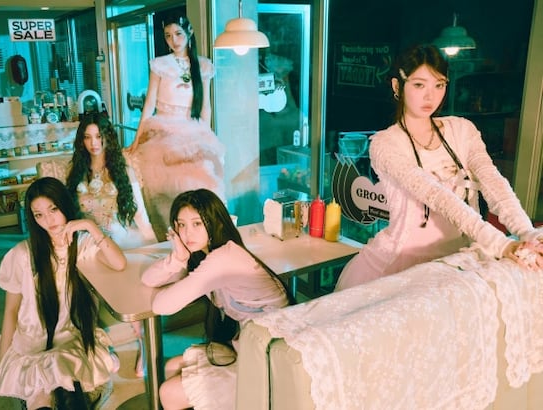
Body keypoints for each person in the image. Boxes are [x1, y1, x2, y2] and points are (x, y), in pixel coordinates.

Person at [335, 44, 543, 291]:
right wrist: (501, 244)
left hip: (458, 259)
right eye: (419, 85)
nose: (430, 96)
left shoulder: (461, 130)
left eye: (439, 85)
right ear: (397, 86)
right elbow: (437, 196)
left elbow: (492, 180)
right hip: (401, 262)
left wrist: (527, 233)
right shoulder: (386, 144)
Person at [0, 177, 127, 409]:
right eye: (39, 215)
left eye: (53, 209)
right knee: (42, 398)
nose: (48, 220)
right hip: (31, 341)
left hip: (69, 336)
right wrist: (3, 359)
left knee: (68, 392)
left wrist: (89, 225)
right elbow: (11, 310)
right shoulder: (22, 254)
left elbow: (119, 263)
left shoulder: (81, 243)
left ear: (64, 206)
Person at [141, 188, 291, 410]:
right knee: (172, 366)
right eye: (181, 225)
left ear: (214, 222)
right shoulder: (207, 255)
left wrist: (181, 260)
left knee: (168, 392)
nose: (187, 233)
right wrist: (178, 257)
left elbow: (161, 305)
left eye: (196, 223)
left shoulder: (223, 259)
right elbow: (148, 279)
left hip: (272, 357)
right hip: (249, 344)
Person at [125, 14, 225, 240]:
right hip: (162, 127)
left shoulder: (204, 65)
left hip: (191, 128)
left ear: (189, 32)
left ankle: (203, 234)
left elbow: (205, 106)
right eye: (168, 36)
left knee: (204, 177)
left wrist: (207, 136)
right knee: (163, 183)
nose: (174, 40)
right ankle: (169, 236)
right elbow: (149, 103)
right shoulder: (160, 64)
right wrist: (137, 139)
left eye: (178, 34)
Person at [67, 112, 157, 250]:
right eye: (87, 137)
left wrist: (155, 245)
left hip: (123, 240)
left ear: (108, 136)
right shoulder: (76, 172)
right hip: (90, 243)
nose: (93, 143)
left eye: (99, 136)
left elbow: (140, 213)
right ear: (81, 140)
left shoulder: (124, 171)